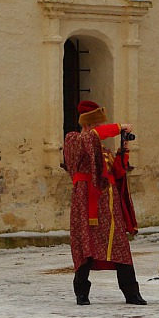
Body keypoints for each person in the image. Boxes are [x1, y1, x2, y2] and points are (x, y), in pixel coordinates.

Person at [63, 100, 147, 306]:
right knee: (87, 246)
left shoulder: (104, 152)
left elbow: (117, 173)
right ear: (87, 125)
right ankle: (81, 293)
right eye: (97, 125)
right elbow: (90, 139)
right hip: (87, 202)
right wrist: (118, 127)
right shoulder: (74, 140)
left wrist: (123, 150)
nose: (99, 130)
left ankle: (131, 293)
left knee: (119, 246)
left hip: (109, 204)